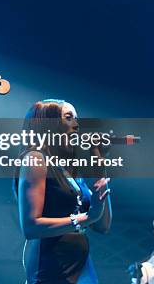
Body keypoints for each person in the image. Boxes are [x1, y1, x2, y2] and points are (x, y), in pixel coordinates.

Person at [15, 99, 112, 284]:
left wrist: (99, 165)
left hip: (80, 265)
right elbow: (30, 227)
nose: (77, 125)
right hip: (50, 268)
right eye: (69, 118)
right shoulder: (35, 159)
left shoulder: (71, 170)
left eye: (77, 119)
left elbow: (102, 225)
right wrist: (86, 218)